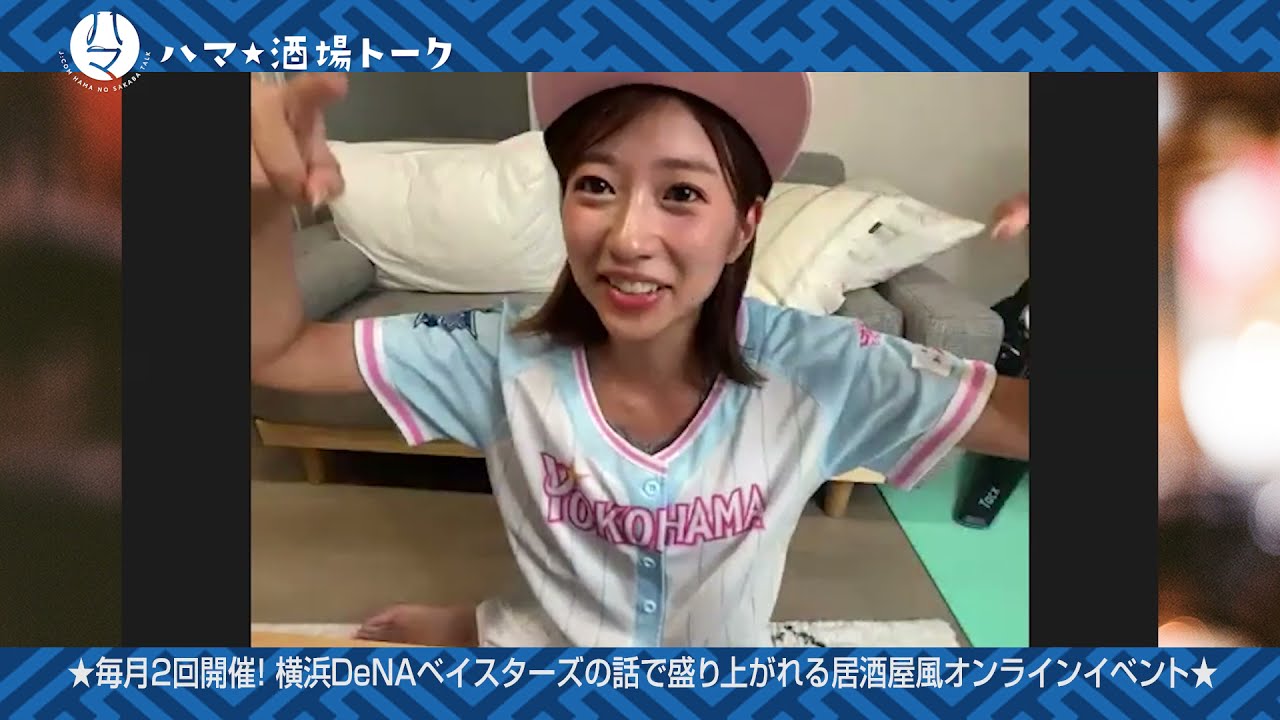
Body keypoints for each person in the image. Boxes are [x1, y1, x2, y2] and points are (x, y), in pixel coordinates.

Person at [250, 72, 1030, 646]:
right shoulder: (497, 353)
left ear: (742, 227)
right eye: (596, 184)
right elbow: (277, 353)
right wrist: (256, 200)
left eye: (681, 194)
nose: (627, 237)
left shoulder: (823, 368)